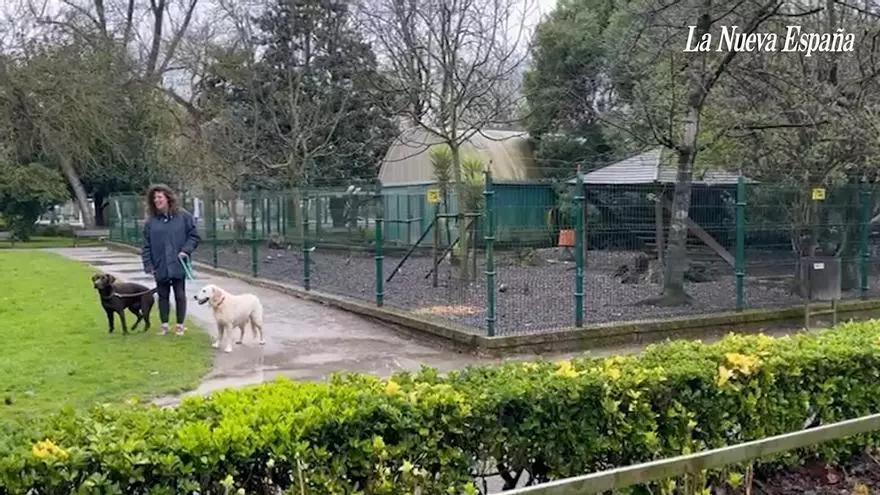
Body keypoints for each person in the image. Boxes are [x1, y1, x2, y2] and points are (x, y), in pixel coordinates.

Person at [141, 184, 201, 336]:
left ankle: (180, 325)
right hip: (159, 264)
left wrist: (186, 250)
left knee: (180, 295)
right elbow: (146, 245)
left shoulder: (183, 216)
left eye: (159, 197)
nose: (157, 200)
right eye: (154, 198)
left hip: (178, 263)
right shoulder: (151, 221)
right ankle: (164, 326)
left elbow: (194, 236)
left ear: (168, 198)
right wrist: (149, 265)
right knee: (162, 296)